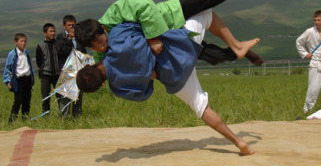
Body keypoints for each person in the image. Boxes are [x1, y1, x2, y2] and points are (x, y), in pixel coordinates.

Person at [76, 9, 255, 156]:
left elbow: (145, 93)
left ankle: (239, 142)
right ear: (90, 64)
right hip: (179, 48)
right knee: (207, 15)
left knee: (201, 107)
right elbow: (141, 25)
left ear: (100, 85)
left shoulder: (118, 87)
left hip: (173, 77)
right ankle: (237, 47)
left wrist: (149, 75)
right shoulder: (116, 37)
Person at [75, 0, 267, 65]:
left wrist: (151, 37)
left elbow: (140, 3)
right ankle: (237, 50)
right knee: (205, 54)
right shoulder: (101, 51)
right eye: (94, 47)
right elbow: (102, 63)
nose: (100, 47)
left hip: (171, 14)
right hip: (172, 39)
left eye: (100, 41)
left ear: (102, 28)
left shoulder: (112, 16)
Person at [56, 15, 87, 118]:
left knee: (78, 95)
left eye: (73, 25)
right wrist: (69, 39)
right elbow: (62, 52)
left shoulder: (79, 38)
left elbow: (83, 53)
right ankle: (64, 118)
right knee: (65, 96)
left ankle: (76, 117)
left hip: (78, 71)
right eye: (69, 25)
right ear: (64, 26)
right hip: (66, 72)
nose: (71, 27)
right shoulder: (60, 37)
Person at [3, 33, 35, 122]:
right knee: (18, 101)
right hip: (18, 80)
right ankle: (12, 120)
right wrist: (8, 81)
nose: (23, 43)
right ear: (16, 42)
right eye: (21, 41)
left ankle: (25, 119)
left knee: (27, 101)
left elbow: (29, 65)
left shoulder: (26, 53)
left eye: (25, 41)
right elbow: (8, 68)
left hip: (27, 79)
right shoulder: (12, 54)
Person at [36, 23, 62, 114]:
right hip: (45, 76)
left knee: (61, 97)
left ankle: (63, 116)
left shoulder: (59, 44)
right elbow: (39, 61)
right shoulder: (40, 46)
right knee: (46, 98)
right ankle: (46, 117)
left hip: (58, 75)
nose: (53, 33)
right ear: (45, 33)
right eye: (50, 31)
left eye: (54, 31)